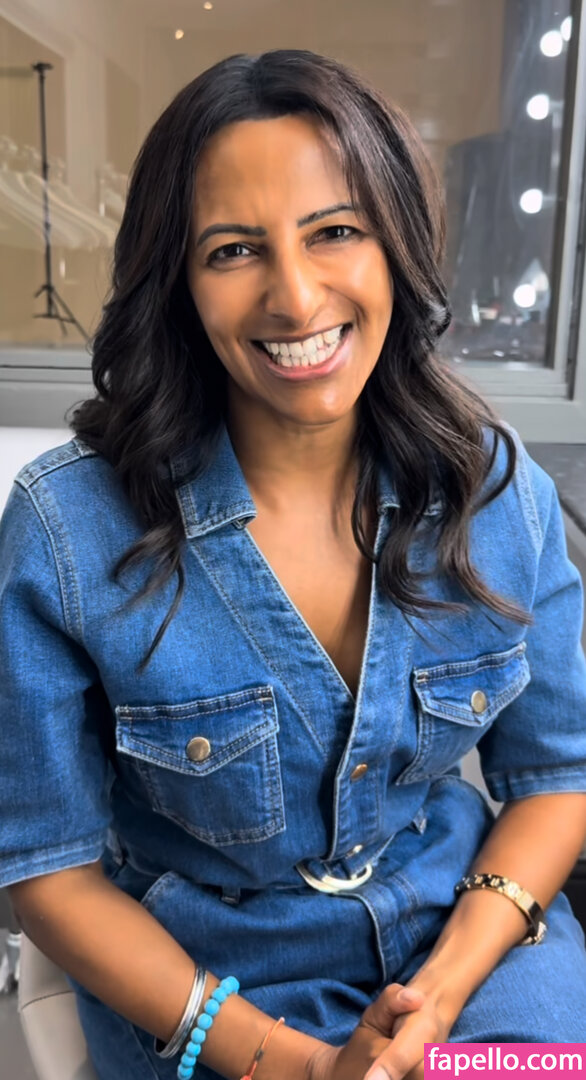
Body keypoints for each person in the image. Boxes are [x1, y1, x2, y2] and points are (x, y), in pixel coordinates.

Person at [1, 48, 586, 1080]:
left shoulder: (494, 489)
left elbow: (556, 775)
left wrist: (438, 1001)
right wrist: (304, 1067)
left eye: (336, 231)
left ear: (394, 245)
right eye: (233, 250)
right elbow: (46, 869)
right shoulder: (67, 528)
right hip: (208, 986)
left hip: (469, 943)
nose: (296, 293)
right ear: (177, 283)